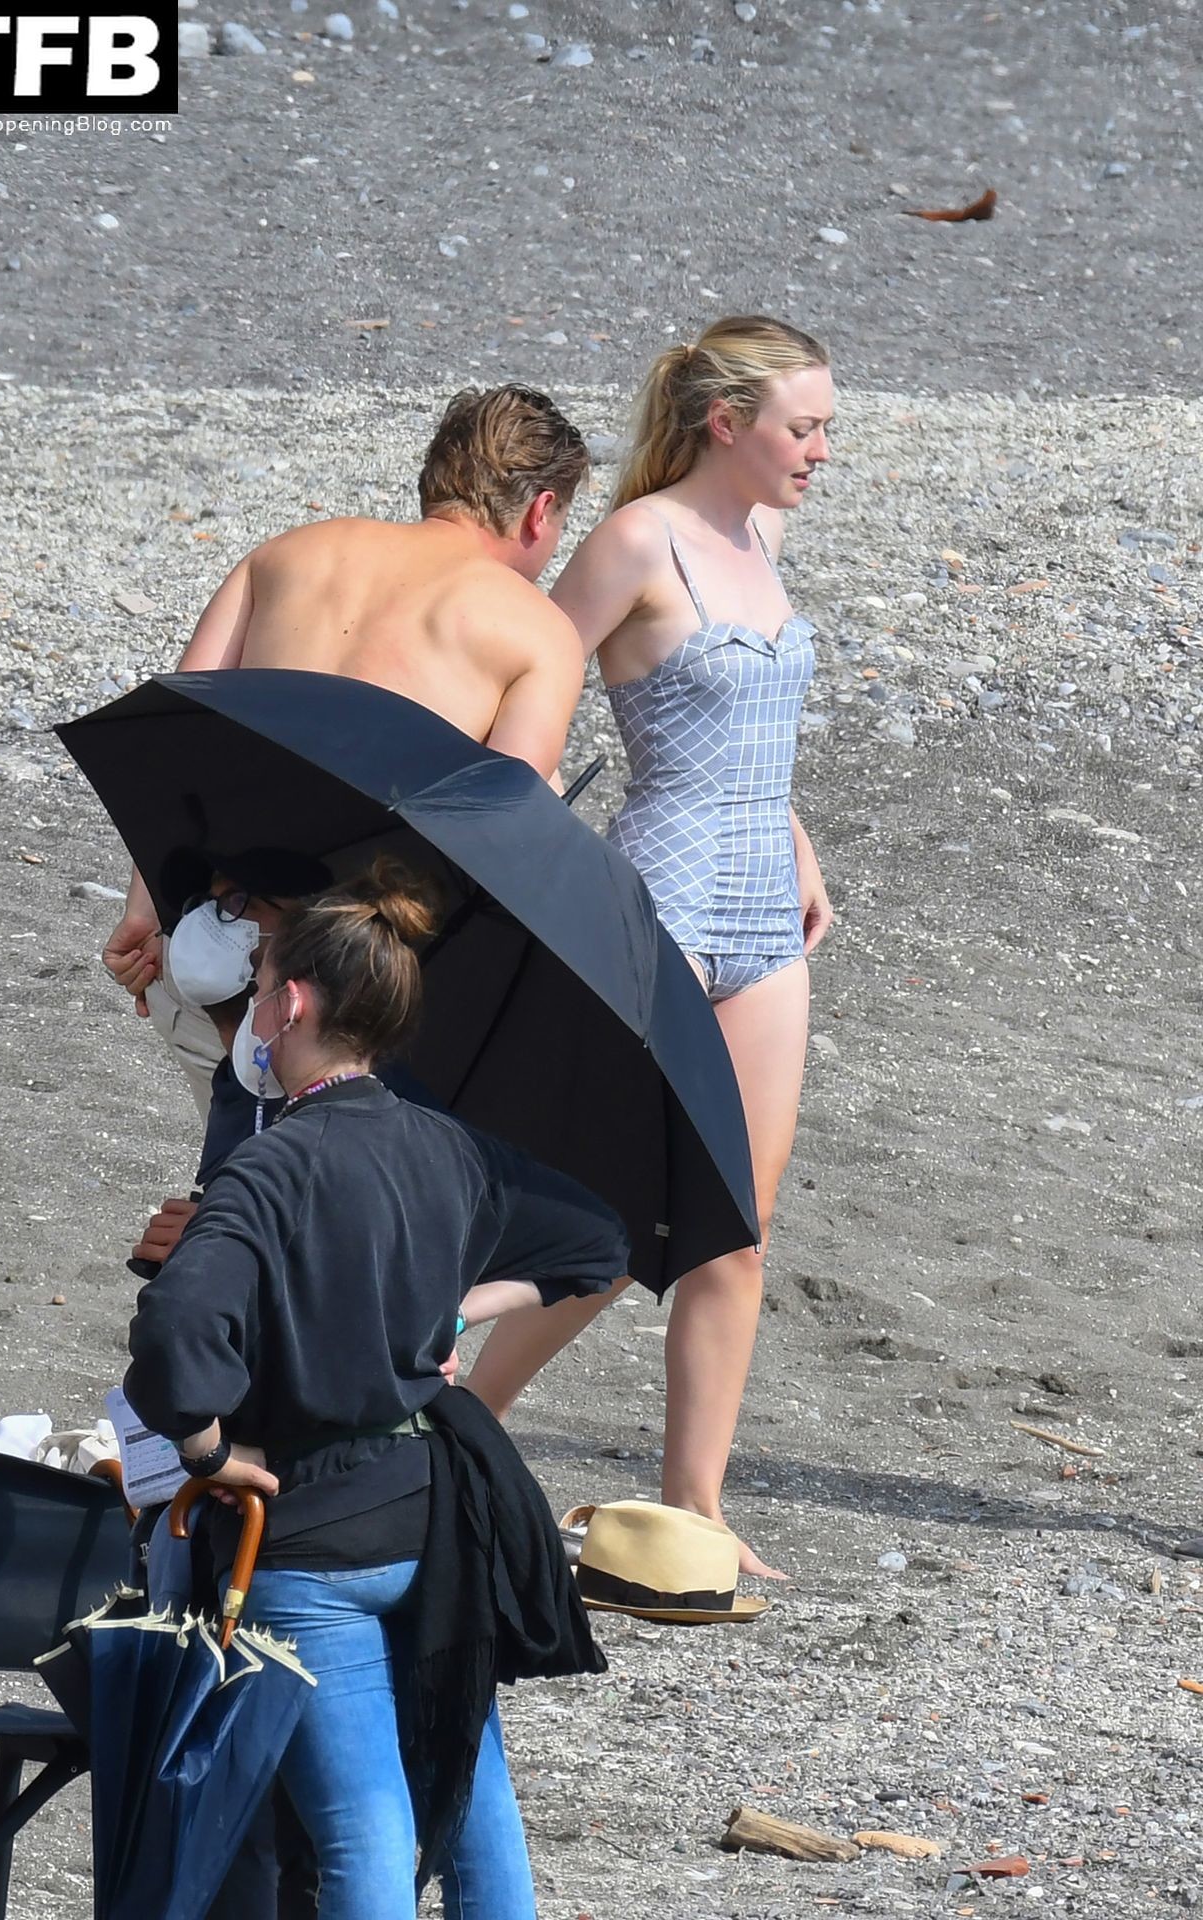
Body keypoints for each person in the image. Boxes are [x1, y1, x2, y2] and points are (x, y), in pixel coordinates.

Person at [124, 860, 630, 1920]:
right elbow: (595, 1240)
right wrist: (454, 1314)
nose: (254, 1007)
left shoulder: (270, 1166)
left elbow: (175, 1333)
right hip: (433, 1520)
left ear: (292, 1005)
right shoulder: (448, 1150)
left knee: (364, 1835)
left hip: (309, 1537)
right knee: (476, 1801)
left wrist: (210, 1450)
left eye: (261, 985)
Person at [466, 317, 836, 1580]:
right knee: (615, 1213)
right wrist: (516, 844)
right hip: (658, 904)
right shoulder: (638, 540)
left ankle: (697, 1510)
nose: (820, 451)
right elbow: (527, 671)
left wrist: (795, 834)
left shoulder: (764, 536)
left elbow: (752, 725)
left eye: (824, 428)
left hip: (765, 917)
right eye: (803, 428)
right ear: (726, 424)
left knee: (735, 1229)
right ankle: (464, 1418)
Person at [102, 384, 591, 1123]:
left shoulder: (283, 556)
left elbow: (175, 748)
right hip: (358, 977)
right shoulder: (537, 630)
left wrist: (145, 910)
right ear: (540, 511)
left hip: (218, 941)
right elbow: (499, 849)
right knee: (330, 1175)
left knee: (244, 1163)